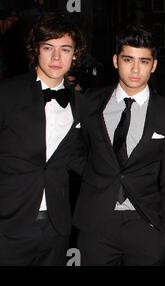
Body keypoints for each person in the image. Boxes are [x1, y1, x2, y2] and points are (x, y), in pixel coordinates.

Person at [73, 25, 165, 266]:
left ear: (153, 65)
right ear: (115, 61)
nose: (135, 69)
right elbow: (75, 150)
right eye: (128, 59)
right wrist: (98, 174)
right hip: (96, 220)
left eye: (143, 61)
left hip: (147, 223)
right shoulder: (90, 102)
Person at [0, 14, 86, 266]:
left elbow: (77, 158)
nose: (57, 58)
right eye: (48, 48)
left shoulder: (81, 103)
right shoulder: (6, 93)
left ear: (75, 54)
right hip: (7, 225)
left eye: (65, 49)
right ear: (36, 50)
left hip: (56, 228)